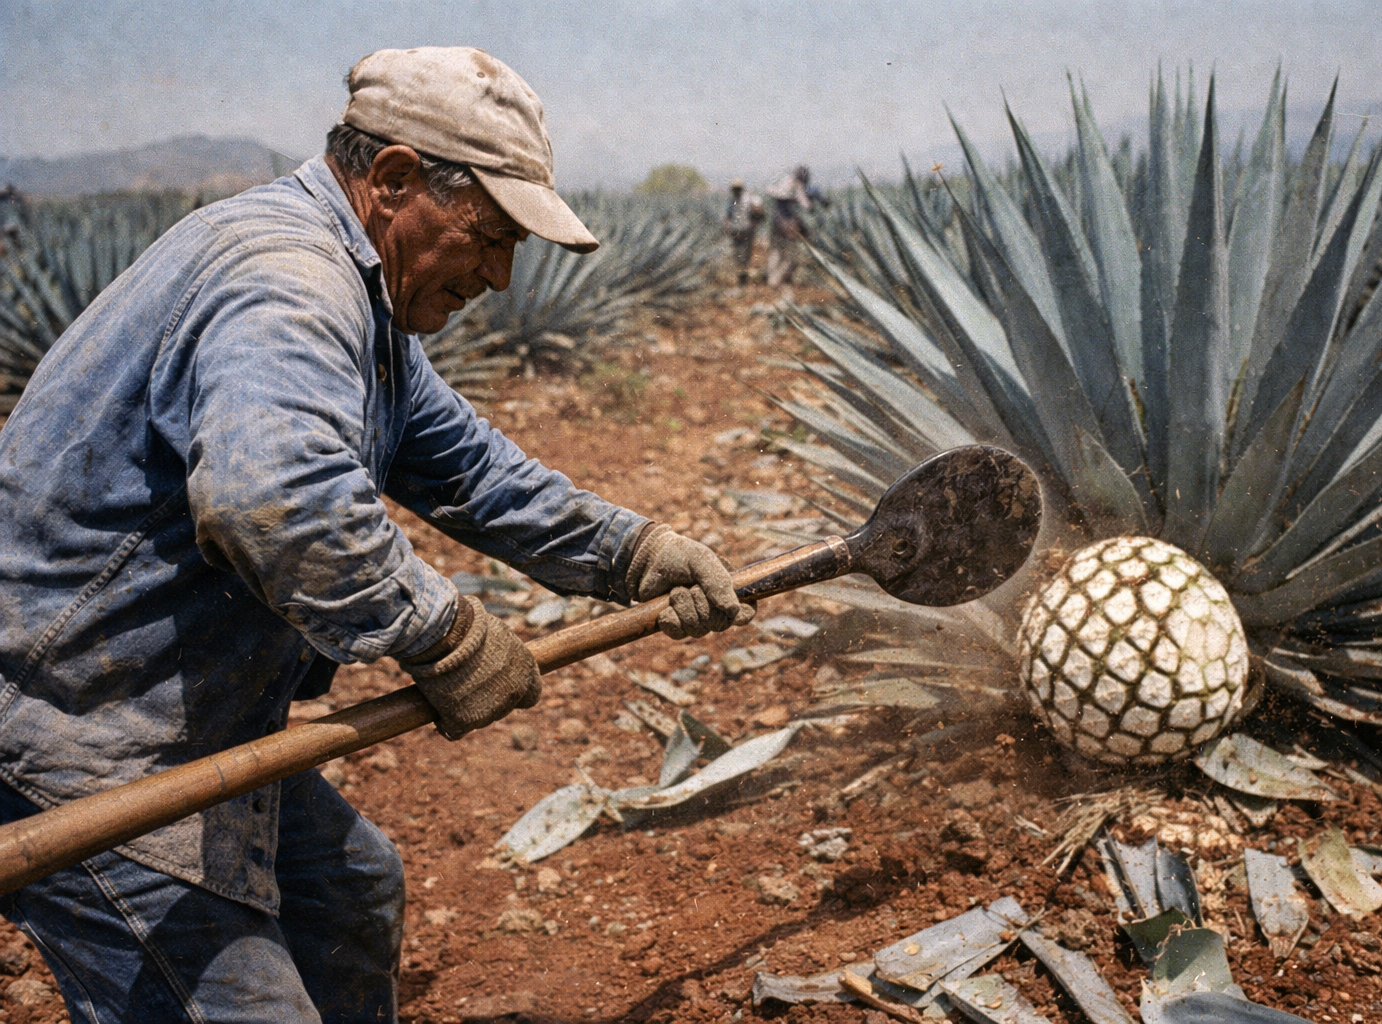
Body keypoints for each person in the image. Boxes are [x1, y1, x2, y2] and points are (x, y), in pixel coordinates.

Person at [0, 47, 752, 1023]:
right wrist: (440, 633)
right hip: (80, 733)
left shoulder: (360, 298)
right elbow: (270, 496)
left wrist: (630, 551)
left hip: (192, 714)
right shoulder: (288, 280)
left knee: (352, 890)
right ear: (393, 179)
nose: (500, 275)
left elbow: (470, 468)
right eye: (488, 235)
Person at [764, 164, 827, 289]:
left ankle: (771, 278)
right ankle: (777, 280)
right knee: (791, 257)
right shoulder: (797, 187)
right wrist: (816, 204)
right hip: (788, 224)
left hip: (775, 223)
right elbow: (806, 204)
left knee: (776, 250)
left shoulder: (784, 183)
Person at [723, 178, 764, 284]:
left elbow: (758, 212)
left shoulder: (748, 198)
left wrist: (754, 226)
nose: (736, 191)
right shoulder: (731, 199)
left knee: (745, 253)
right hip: (735, 230)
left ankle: (743, 279)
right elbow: (728, 215)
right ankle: (740, 277)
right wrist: (727, 227)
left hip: (747, 230)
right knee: (738, 254)